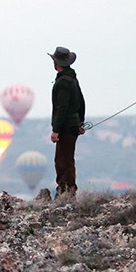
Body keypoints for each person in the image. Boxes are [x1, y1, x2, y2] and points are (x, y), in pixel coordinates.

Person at [48, 46, 86, 200]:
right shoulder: (73, 79)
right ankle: (68, 190)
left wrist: (55, 130)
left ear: (56, 63)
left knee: (62, 161)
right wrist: (80, 122)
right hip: (73, 125)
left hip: (65, 128)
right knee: (67, 159)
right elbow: (82, 103)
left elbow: (61, 108)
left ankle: (65, 192)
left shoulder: (63, 82)